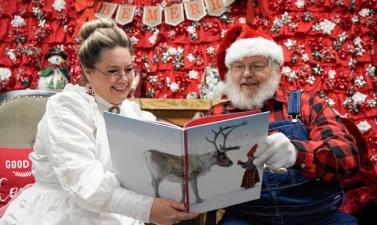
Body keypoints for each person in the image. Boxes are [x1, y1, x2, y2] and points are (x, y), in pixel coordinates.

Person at [0, 18, 198, 225]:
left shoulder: (131, 111)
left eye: (129, 69)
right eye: (113, 71)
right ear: (88, 71)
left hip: (116, 214)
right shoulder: (66, 108)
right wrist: (147, 209)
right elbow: (85, 185)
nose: (124, 79)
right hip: (63, 215)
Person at [207, 23, 360, 225]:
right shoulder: (217, 115)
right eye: (238, 67)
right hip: (248, 218)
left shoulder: (306, 103)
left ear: (275, 69)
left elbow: (348, 158)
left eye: (257, 66)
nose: (246, 74)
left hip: (318, 217)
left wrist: (298, 153)